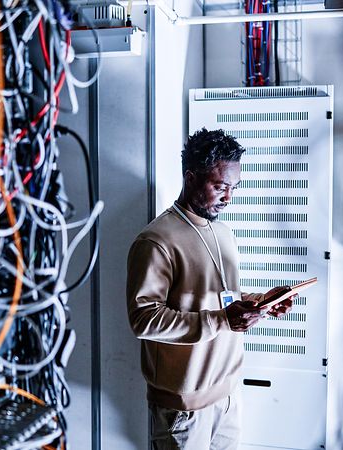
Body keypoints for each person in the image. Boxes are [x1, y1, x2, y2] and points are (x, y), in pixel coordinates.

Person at [126, 128, 294, 450]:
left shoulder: (223, 231)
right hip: (184, 410)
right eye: (220, 186)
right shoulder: (156, 241)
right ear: (190, 178)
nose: (229, 197)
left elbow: (220, 298)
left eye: (234, 187)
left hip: (229, 395)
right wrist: (221, 320)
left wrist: (261, 303)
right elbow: (143, 319)